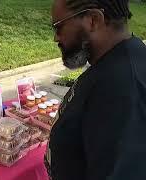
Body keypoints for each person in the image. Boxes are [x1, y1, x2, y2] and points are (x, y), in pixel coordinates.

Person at [45, 0, 146, 180]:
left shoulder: (123, 89)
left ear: (93, 20)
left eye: (58, 27)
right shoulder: (114, 64)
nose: (56, 38)